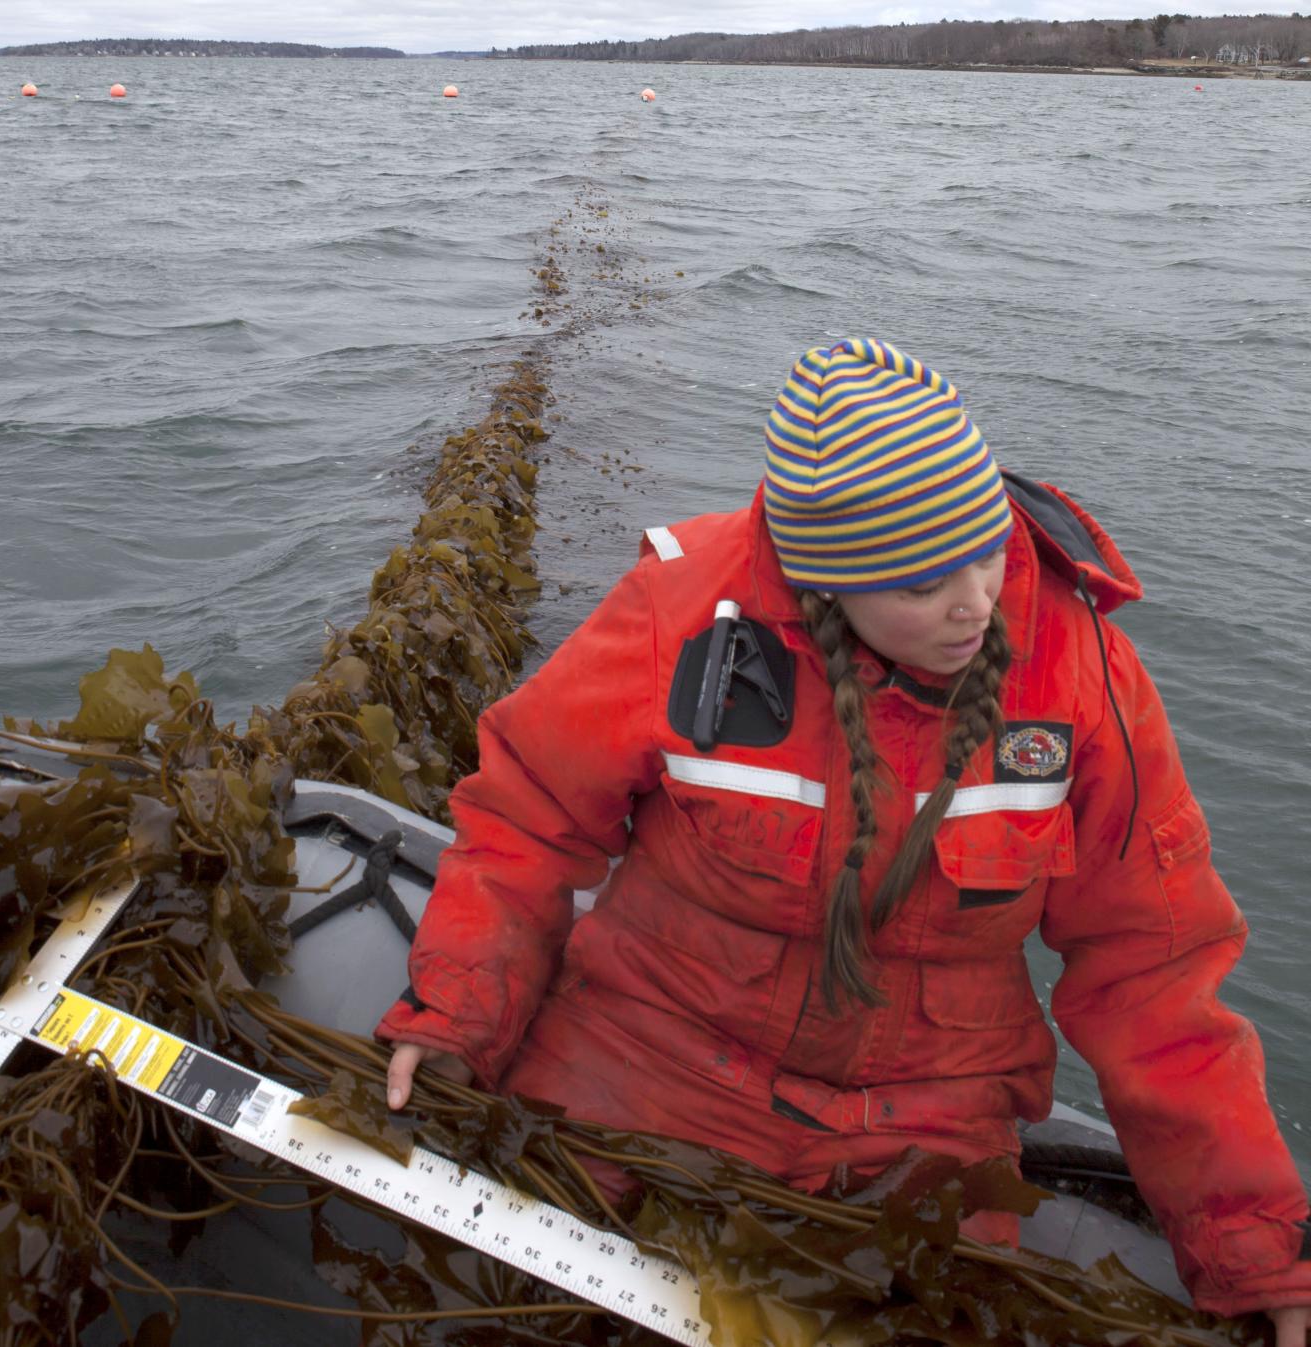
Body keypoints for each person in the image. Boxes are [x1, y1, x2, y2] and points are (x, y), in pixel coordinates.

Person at [377, 337, 1311, 1340]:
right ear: (828, 585)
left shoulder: (1084, 678)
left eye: (987, 551)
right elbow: (525, 816)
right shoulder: (685, 611)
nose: (975, 604)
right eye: (919, 586)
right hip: (652, 1050)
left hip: (929, 1116)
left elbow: (1152, 971)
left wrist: (1251, 1238)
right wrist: (456, 1016)